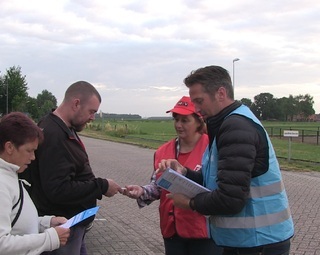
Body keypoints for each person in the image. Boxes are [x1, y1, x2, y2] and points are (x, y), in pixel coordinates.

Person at [158, 66, 294, 255]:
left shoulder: (235, 127)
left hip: (257, 241)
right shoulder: (226, 124)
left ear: (220, 93)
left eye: (199, 101)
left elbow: (230, 199)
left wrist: (190, 204)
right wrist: (184, 172)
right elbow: (218, 180)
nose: (196, 109)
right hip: (249, 240)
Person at [20, 81, 122, 255]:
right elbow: (57, 189)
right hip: (64, 228)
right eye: (92, 112)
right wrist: (102, 186)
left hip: (73, 226)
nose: (93, 118)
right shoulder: (54, 135)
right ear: (76, 104)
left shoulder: (63, 127)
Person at [122, 96, 222, 255]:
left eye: (185, 120)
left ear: (199, 121)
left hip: (205, 233)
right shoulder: (163, 151)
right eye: (176, 119)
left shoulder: (214, 147)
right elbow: (158, 186)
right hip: (172, 232)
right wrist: (142, 191)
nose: (178, 125)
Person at [0, 112, 70, 254]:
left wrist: (46, 223)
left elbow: (16, 222)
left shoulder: (11, 174)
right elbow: (2, 244)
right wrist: (50, 238)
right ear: (9, 147)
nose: (33, 157)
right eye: (29, 151)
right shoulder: (1, 184)